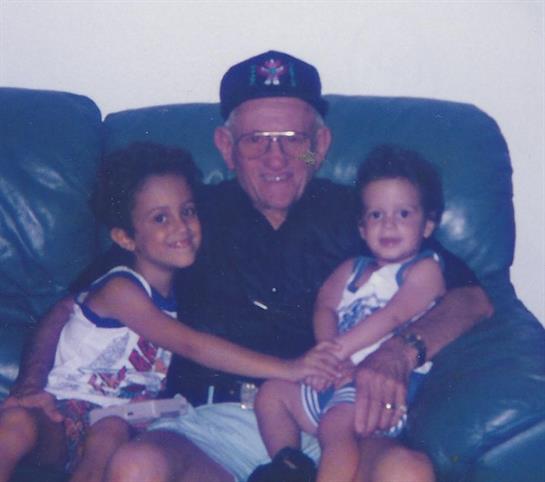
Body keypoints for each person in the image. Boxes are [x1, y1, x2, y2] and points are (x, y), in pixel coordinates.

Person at [3, 51, 493, 482]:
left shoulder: (370, 217)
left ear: (320, 146)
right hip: (209, 427)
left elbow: (473, 299)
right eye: (256, 140)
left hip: (328, 418)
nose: (276, 158)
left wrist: (400, 353)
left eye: (294, 139)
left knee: (406, 472)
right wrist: (29, 386)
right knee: (137, 465)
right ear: (225, 147)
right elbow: (70, 307)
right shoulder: (185, 219)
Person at [0, 143, 338, 482]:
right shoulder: (122, 289)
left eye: (187, 212)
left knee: (109, 432)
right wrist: (290, 368)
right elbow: (191, 345)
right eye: (161, 218)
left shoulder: (339, 205)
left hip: (127, 421)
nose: (181, 227)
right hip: (68, 408)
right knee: (17, 425)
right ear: (125, 238)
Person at [252, 145, 448, 482]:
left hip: (378, 390)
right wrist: (326, 354)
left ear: (428, 225)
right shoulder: (351, 268)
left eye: (403, 214)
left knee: (334, 428)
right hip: (335, 378)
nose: (388, 224)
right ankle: (289, 465)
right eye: (376, 215)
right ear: (362, 228)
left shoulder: (425, 269)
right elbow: (324, 306)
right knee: (271, 394)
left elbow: (394, 315)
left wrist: (337, 354)